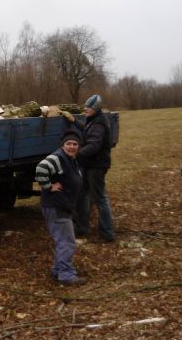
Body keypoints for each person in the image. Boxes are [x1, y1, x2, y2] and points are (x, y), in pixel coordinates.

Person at [36, 129, 88, 286]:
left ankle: (58, 270)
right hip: (56, 206)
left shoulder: (70, 158)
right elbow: (41, 168)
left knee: (63, 240)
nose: (72, 147)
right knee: (66, 241)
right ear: (63, 145)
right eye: (68, 144)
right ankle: (66, 275)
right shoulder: (58, 157)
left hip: (61, 206)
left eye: (75, 144)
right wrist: (48, 186)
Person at [62, 94, 115, 243]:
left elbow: (93, 145)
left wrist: (75, 153)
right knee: (82, 194)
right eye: (85, 106)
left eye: (88, 107)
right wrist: (74, 121)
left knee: (100, 199)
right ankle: (82, 228)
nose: (85, 109)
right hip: (88, 164)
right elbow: (87, 130)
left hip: (96, 166)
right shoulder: (94, 120)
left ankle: (107, 233)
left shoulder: (99, 124)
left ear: (96, 109)